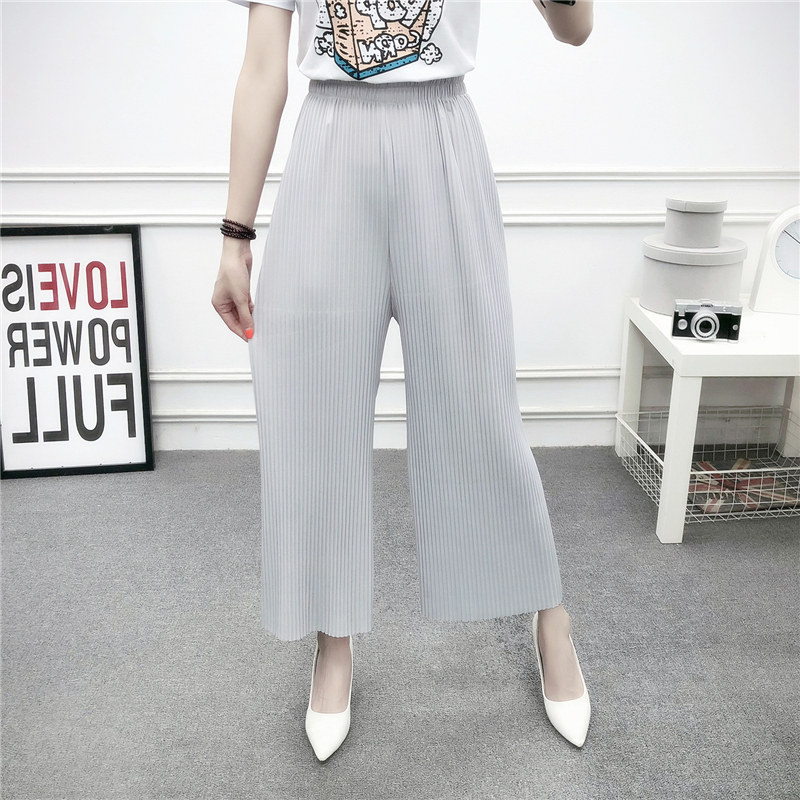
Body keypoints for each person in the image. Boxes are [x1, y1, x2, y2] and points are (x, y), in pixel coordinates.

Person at [213, 0, 595, 760]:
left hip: (441, 133)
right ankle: (333, 636)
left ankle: (549, 616)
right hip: (329, 141)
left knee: (478, 403)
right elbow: (262, 67)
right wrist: (234, 234)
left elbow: (575, 27)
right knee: (312, 407)